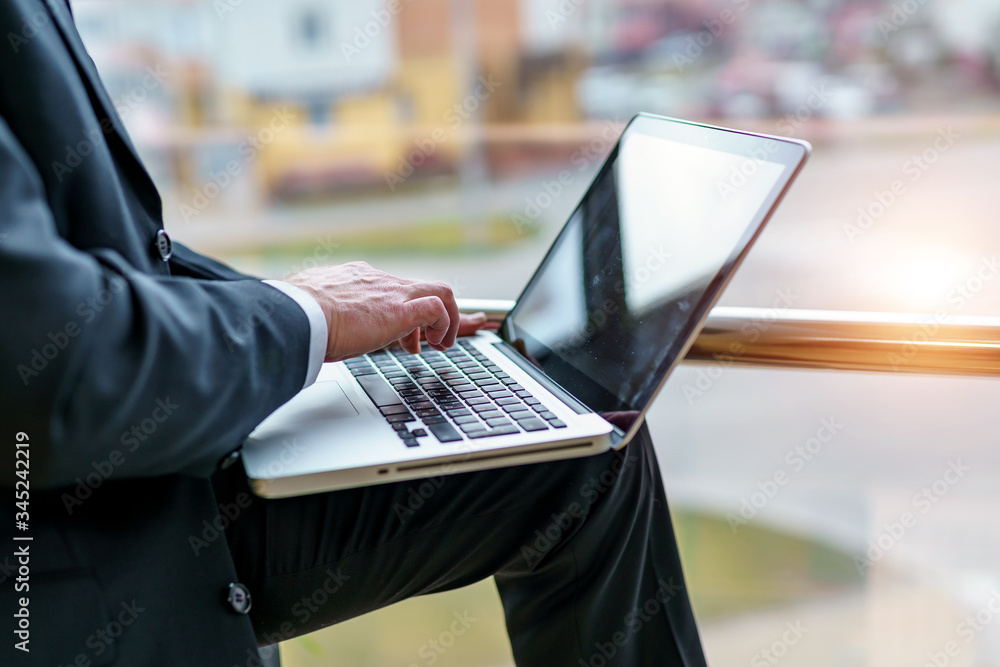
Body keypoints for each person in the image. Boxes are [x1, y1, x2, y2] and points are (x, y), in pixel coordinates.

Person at [0, 0, 708, 664]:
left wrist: (305, 307)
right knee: (588, 456)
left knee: (579, 439)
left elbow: (106, 261)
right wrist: (306, 317)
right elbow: (53, 363)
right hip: (75, 545)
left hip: (124, 474)